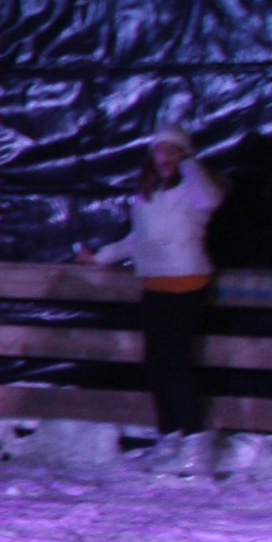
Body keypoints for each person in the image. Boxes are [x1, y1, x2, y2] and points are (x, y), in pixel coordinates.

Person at [93, 122, 232, 477]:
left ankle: (196, 444)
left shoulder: (195, 188)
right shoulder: (147, 194)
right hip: (155, 285)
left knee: (176, 364)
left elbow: (210, 200)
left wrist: (189, 163)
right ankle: (170, 436)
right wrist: (101, 257)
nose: (165, 157)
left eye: (173, 150)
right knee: (156, 365)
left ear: (184, 154)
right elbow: (136, 240)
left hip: (187, 284)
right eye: (160, 149)